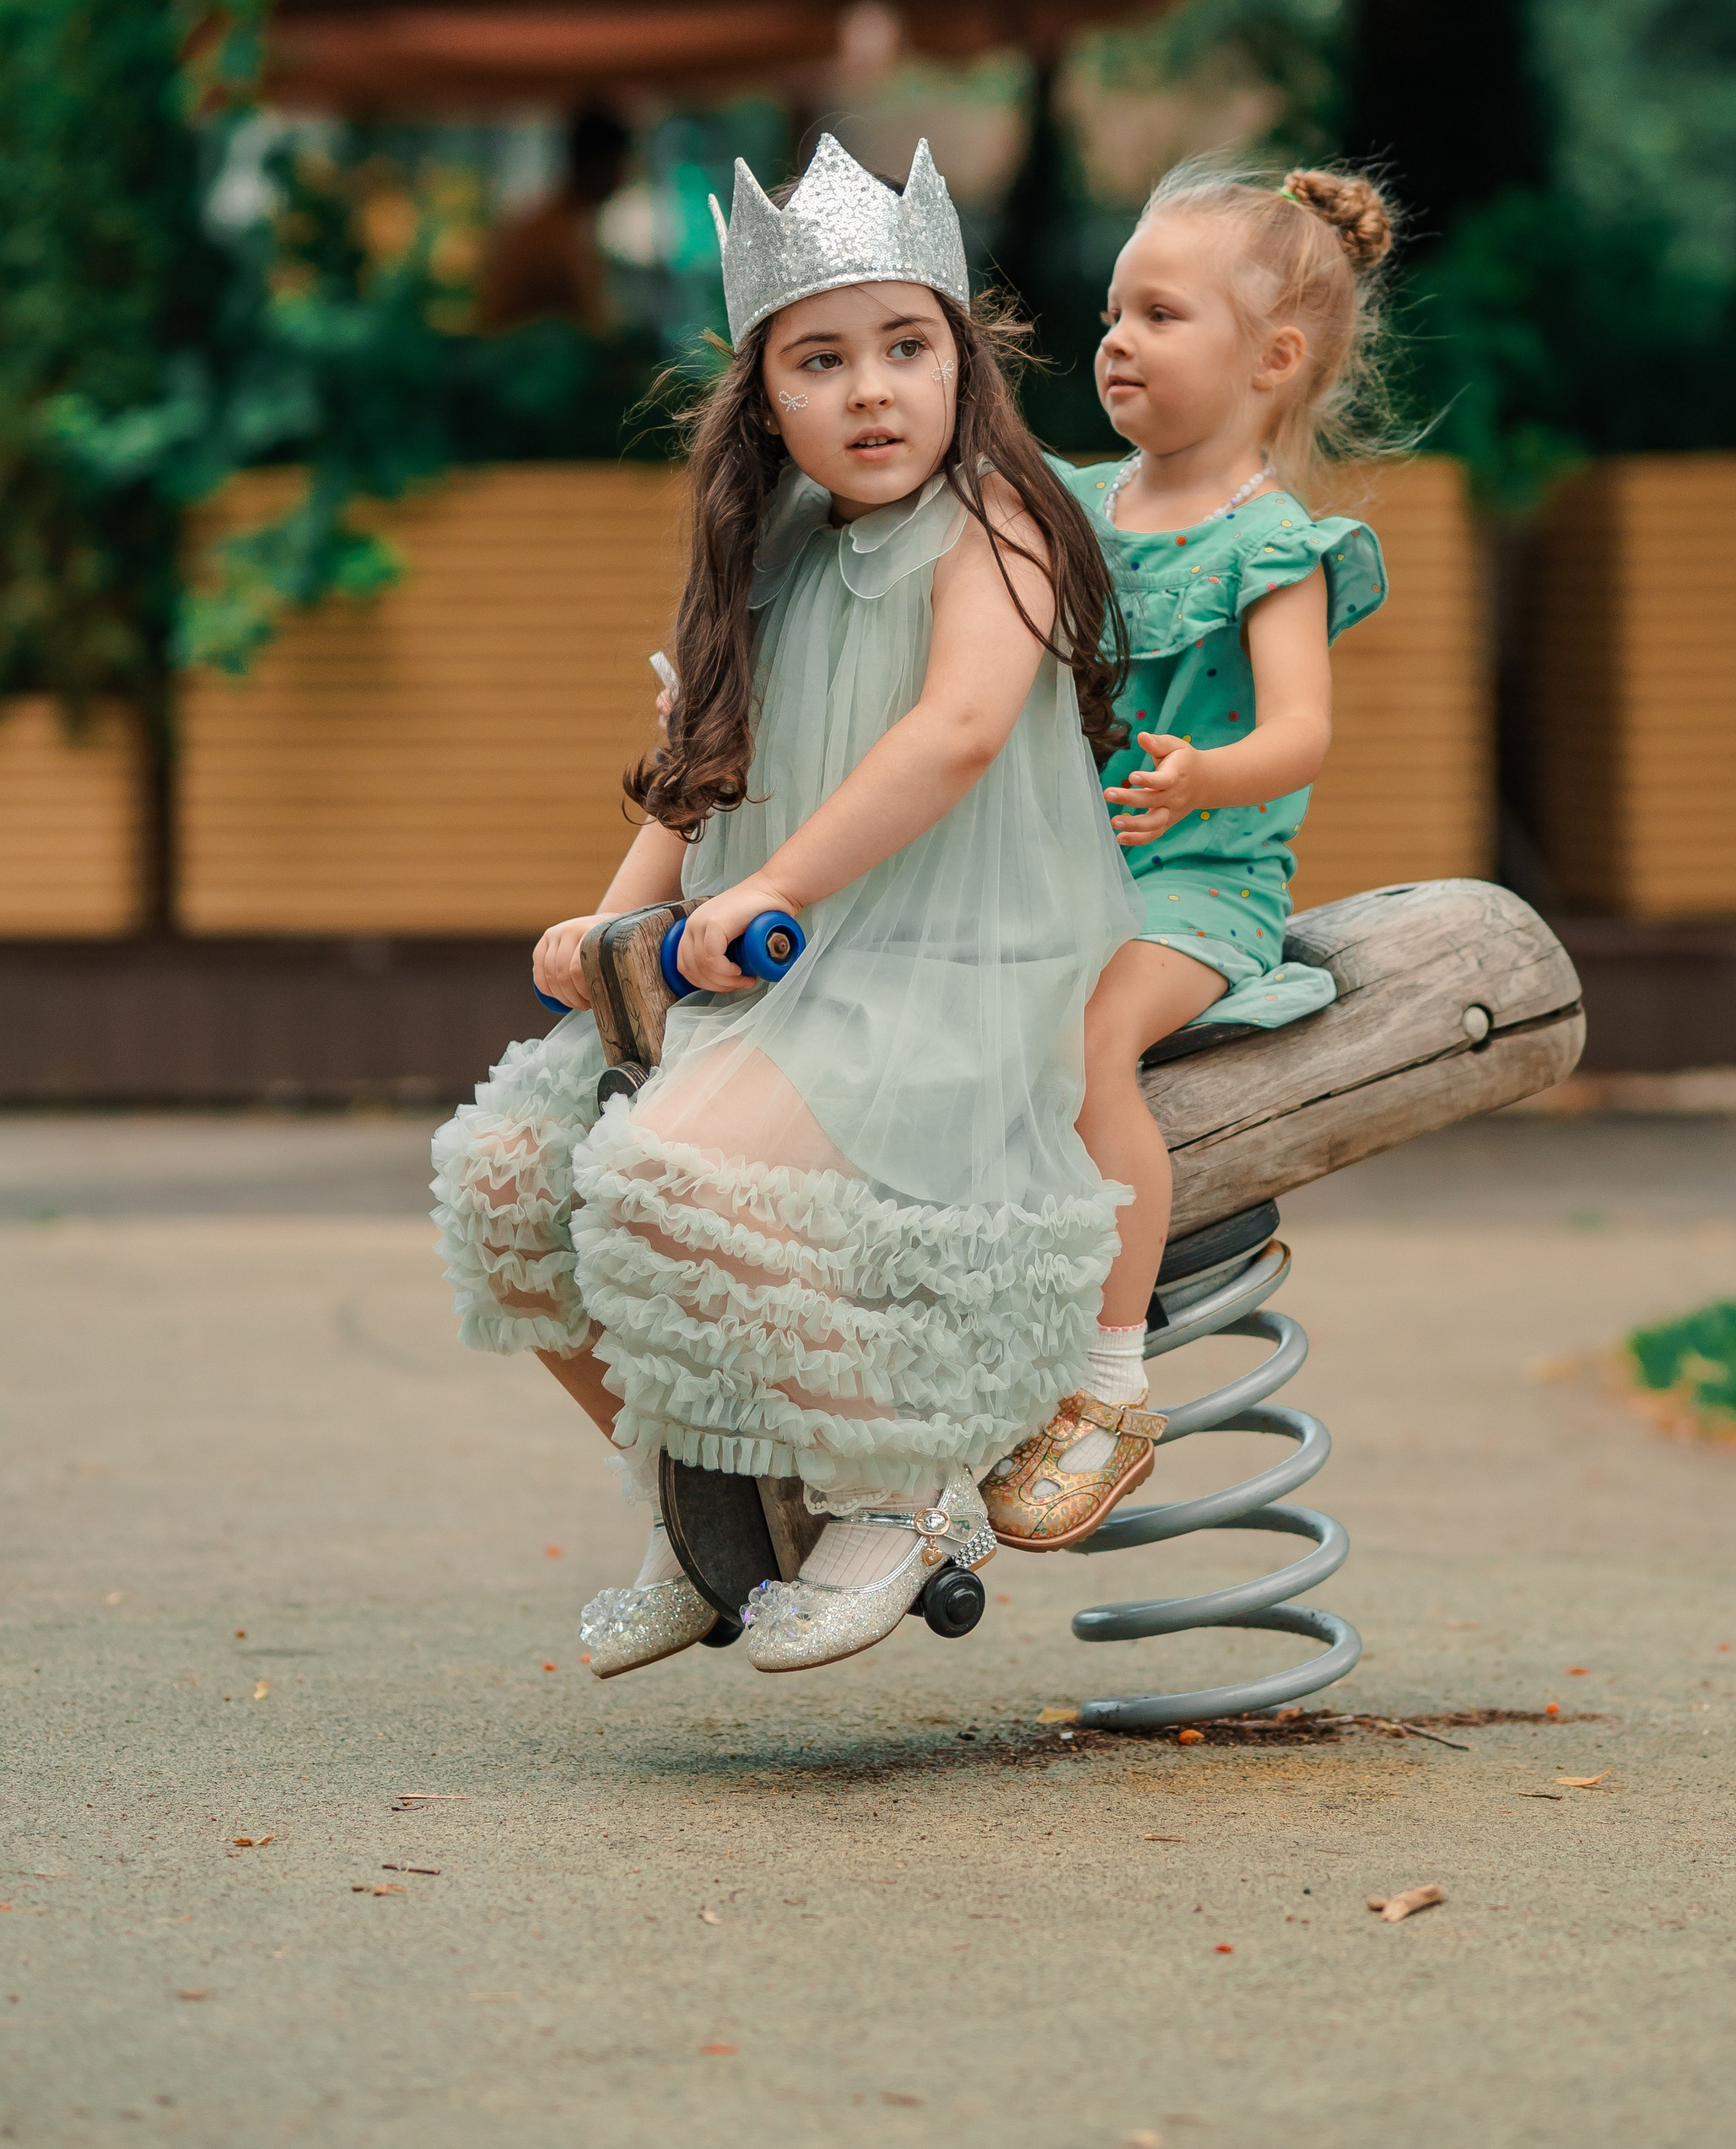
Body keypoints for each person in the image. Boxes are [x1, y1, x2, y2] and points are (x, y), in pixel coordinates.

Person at [432, 136, 1139, 1677]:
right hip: (772, 944)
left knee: (671, 1165)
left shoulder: (999, 522)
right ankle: (713, 1504)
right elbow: (704, 774)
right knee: (504, 1177)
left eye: (907, 346)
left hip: (947, 953)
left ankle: (898, 1481)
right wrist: (609, 930)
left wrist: (762, 891)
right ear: (768, 400)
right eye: (822, 360)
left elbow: (953, 732)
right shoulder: (775, 550)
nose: (873, 389)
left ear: (966, 360)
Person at [979, 160, 1394, 1552]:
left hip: (1201, 882)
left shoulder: (1273, 543)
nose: (1116, 339)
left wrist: (1207, 771)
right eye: (1113, 309)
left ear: (1273, 358)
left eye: (1160, 312)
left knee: (1092, 1041)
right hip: (1075, 865)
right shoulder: (1083, 504)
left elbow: (1301, 732)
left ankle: (1107, 1384)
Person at [474, 102, 631, 334]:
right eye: (619, 165)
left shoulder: (556, 227)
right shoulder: (554, 238)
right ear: (597, 166)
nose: (622, 179)